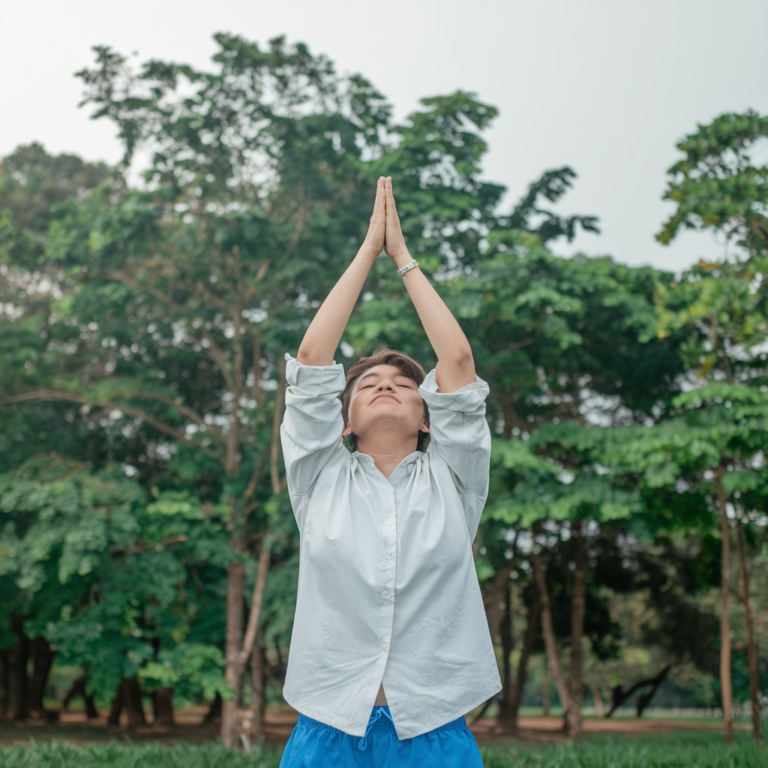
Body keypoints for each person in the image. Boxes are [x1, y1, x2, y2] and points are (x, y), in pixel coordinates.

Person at [278, 177, 500, 766]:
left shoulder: (455, 479)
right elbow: (310, 363)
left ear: (428, 419)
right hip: (327, 724)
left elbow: (456, 363)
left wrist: (401, 258)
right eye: (368, 384)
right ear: (343, 421)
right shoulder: (320, 477)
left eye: (403, 384)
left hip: (433, 726)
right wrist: (365, 252)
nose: (384, 386)